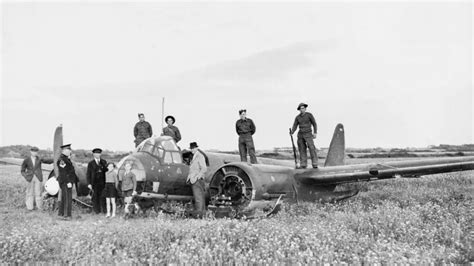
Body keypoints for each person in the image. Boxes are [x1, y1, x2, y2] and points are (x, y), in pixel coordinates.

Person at [20, 146, 54, 211]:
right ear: (31, 152)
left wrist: (56, 158)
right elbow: (22, 170)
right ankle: (30, 208)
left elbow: (48, 161)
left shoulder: (39, 159)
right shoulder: (26, 160)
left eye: (36, 152)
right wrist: (26, 176)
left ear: (37, 152)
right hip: (30, 178)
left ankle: (40, 208)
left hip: (38, 178)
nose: (34, 153)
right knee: (29, 192)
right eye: (33, 151)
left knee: (38, 193)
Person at [290, 103, 318, 169]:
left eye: (303, 108)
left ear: (305, 109)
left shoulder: (309, 115)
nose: (302, 110)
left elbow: (314, 124)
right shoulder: (297, 117)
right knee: (302, 149)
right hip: (300, 134)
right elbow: (295, 125)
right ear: (299, 110)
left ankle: (315, 163)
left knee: (311, 148)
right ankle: (303, 164)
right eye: (300, 108)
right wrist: (292, 131)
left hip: (308, 134)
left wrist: (315, 133)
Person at [186, 142, 208, 218]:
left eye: (193, 148)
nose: (192, 150)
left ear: (196, 148)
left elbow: (204, 168)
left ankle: (199, 214)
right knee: (199, 197)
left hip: (197, 180)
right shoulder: (195, 156)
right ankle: (202, 214)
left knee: (198, 198)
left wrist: (197, 177)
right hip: (194, 179)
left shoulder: (200, 156)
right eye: (191, 148)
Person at [57, 144, 78, 220]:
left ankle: (62, 214)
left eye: (70, 150)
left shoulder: (66, 159)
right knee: (67, 198)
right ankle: (66, 215)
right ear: (63, 151)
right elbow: (63, 172)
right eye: (68, 150)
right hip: (66, 182)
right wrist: (68, 182)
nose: (70, 151)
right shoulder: (62, 160)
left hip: (68, 181)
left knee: (65, 197)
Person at [86, 148, 108, 214]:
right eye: (96, 153)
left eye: (99, 153)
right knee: (95, 197)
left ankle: (104, 210)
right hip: (94, 183)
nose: (97, 155)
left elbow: (106, 171)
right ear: (93, 154)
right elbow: (88, 174)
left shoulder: (104, 162)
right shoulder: (91, 163)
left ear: (100, 154)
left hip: (102, 182)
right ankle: (96, 211)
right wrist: (89, 183)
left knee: (103, 197)